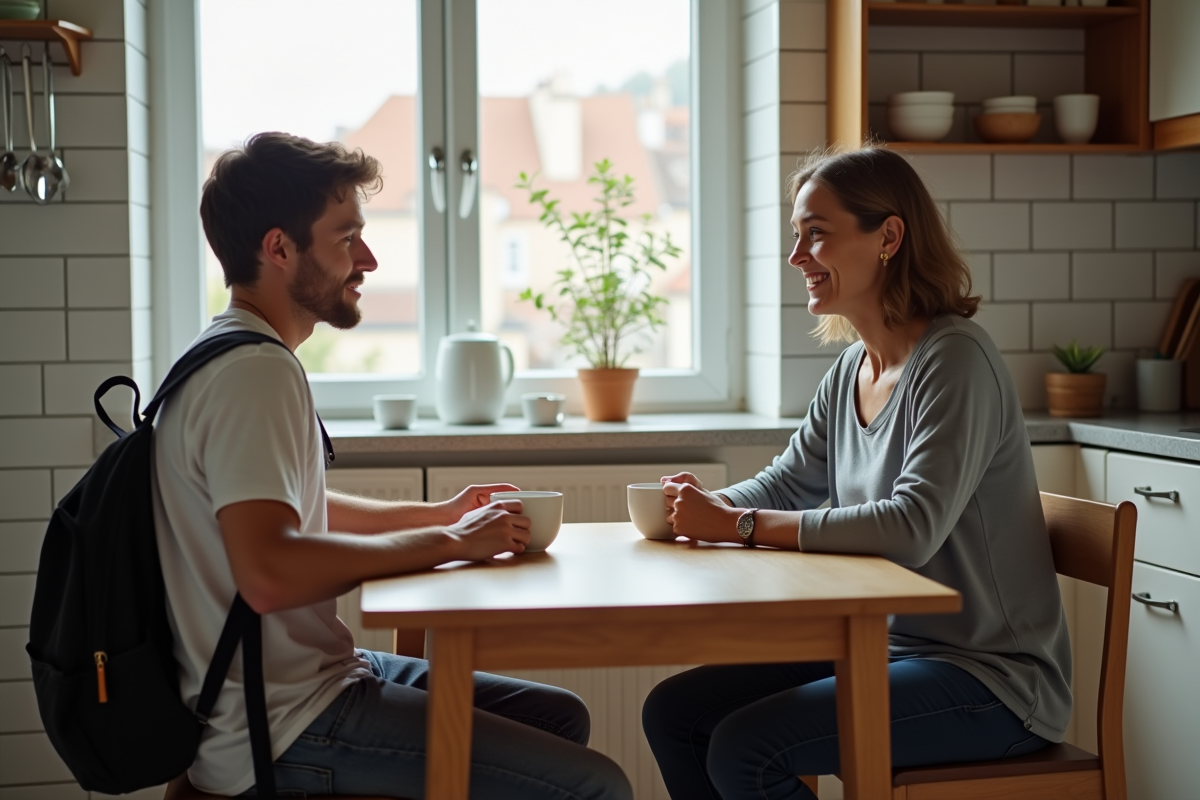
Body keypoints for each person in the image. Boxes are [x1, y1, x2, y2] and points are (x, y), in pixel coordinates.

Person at [154, 131, 632, 799]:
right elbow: (266, 573)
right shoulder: (253, 373)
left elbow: (297, 510)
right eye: (347, 237)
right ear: (280, 249)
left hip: (309, 683)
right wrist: (449, 541)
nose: (369, 258)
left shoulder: (233, 353)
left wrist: (441, 513)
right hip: (284, 724)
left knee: (557, 717)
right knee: (598, 786)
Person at [641, 146, 1071, 800]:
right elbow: (788, 482)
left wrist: (739, 525)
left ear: (889, 237)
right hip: (890, 650)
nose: (797, 258)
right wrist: (697, 507)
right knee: (677, 714)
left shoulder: (954, 361)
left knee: (745, 748)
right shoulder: (852, 370)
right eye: (796, 236)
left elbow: (911, 527)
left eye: (817, 234)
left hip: (993, 682)